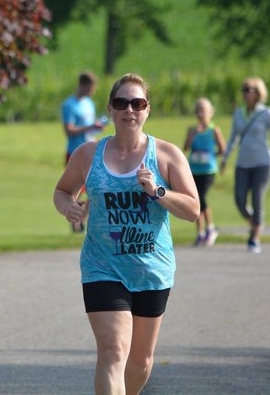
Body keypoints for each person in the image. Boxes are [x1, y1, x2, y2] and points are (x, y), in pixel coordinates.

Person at [54, 73, 199, 395]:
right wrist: (68, 207)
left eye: (137, 103)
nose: (129, 110)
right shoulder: (88, 154)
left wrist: (158, 191)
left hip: (152, 270)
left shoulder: (166, 155)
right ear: (110, 108)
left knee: (140, 362)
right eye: (121, 103)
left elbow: (192, 209)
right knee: (113, 351)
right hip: (102, 267)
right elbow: (63, 190)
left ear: (147, 109)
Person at [220, 77, 270, 254]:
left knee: (257, 197)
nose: (245, 93)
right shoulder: (238, 113)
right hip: (243, 163)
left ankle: (255, 236)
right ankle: (255, 223)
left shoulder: (267, 113)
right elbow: (233, 138)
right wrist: (225, 158)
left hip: (263, 163)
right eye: (243, 89)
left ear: (258, 92)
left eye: (248, 89)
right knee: (239, 200)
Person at [61, 71, 106, 232]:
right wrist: (90, 127)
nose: (92, 92)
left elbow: (90, 130)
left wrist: (97, 127)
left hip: (91, 151)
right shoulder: (69, 105)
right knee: (75, 191)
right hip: (74, 152)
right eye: (91, 88)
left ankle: (82, 220)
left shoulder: (89, 103)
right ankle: (75, 224)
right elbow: (69, 130)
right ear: (84, 85)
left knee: (94, 189)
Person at [183, 97, 226, 247]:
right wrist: (191, 136)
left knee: (201, 197)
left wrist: (210, 154)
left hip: (208, 170)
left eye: (204, 110)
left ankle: (211, 228)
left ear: (211, 112)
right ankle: (200, 233)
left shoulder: (214, 130)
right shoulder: (192, 130)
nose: (201, 114)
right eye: (198, 111)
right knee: (195, 199)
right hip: (194, 169)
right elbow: (186, 148)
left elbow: (222, 149)